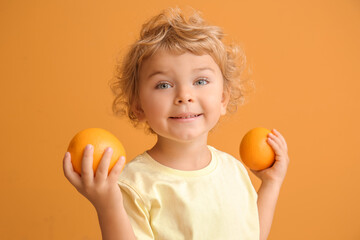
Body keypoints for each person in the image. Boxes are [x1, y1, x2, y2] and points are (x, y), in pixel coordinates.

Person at [63, 7, 290, 240]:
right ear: (138, 105)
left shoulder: (234, 171)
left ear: (223, 98)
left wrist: (271, 184)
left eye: (200, 80)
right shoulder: (133, 184)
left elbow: (253, 235)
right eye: (163, 85)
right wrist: (108, 205)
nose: (185, 95)